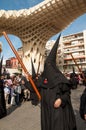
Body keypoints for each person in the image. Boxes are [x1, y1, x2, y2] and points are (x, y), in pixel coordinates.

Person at [37, 34, 77, 130]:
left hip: (58, 112)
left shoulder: (60, 79)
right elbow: (35, 89)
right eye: (46, 65)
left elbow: (67, 93)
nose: (48, 68)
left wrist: (61, 100)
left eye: (49, 65)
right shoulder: (43, 80)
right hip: (46, 112)